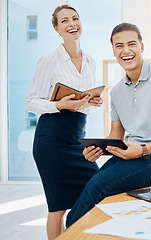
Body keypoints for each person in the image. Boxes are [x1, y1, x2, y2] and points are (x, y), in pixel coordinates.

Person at [65, 22, 151, 228]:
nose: (126, 50)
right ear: (113, 51)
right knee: (92, 184)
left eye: (131, 44)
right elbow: (116, 134)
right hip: (130, 153)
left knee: (98, 185)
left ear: (142, 46)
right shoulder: (116, 92)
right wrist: (98, 149)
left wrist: (143, 149)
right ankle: (78, 230)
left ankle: (69, 232)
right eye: (119, 45)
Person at [24, 5, 103, 240]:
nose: (72, 24)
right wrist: (60, 105)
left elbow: (81, 106)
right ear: (57, 29)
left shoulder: (90, 61)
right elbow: (30, 102)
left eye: (75, 19)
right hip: (52, 140)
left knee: (95, 191)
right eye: (65, 21)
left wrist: (91, 102)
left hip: (76, 137)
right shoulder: (48, 61)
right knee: (58, 208)